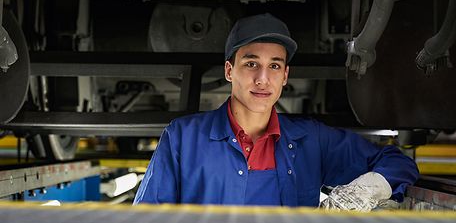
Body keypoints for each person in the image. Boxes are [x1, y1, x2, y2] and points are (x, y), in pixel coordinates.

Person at [133, 13, 419, 211]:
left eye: (274, 66)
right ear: (229, 70)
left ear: (285, 75)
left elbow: (397, 162)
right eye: (251, 63)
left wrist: (366, 190)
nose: (262, 79)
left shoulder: (311, 141)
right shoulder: (183, 138)